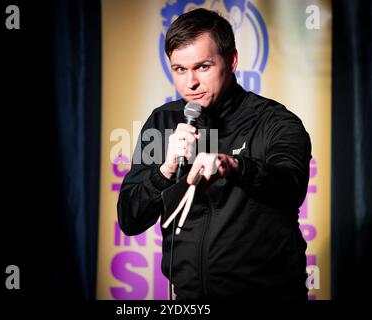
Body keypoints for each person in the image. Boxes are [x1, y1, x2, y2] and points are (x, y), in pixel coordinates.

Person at [117, 8, 311, 300]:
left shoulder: (274, 121)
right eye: (180, 70)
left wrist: (235, 167)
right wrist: (164, 172)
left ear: (231, 61)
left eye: (203, 67)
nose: (190, 83)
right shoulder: (162, 123)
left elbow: (290, 186)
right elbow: (130, 219)